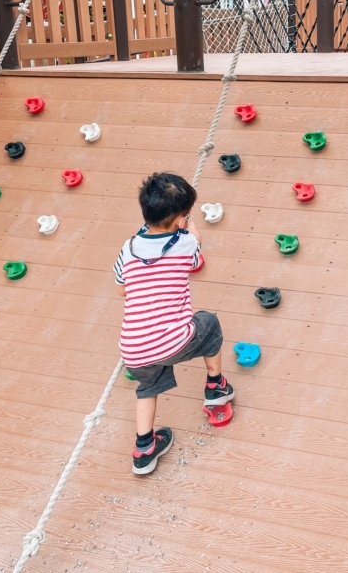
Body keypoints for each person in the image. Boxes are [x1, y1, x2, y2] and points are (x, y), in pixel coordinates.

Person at [114, 172, 234, 475]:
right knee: (209, 323)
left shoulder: (127, 249)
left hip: (133, 351)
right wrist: (194, 235)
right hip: (174, 340)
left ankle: (144, 448)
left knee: (147, 388)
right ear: (182, 218)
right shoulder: (186, 245)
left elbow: (121, 289)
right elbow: (194, 261)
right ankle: (215, 386)